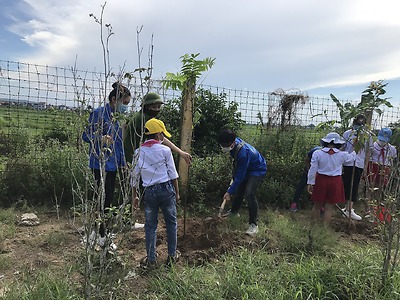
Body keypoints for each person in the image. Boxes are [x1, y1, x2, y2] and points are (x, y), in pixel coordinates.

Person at [82, 82, 131, 248]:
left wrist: (123, 163)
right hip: (99, 163)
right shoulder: (99, 114)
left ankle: (99, 232)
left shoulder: (117, 119)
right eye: (124, 104)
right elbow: (86, 135)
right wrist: (100, 138)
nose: (125, 108)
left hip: (113, 165)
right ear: (113, 99)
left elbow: (118, 144)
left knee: (109, 199)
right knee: (102, 199)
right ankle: (102, 235)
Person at [131, 118, 180, 268]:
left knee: (150, 225)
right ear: (158, 134)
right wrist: (177, 193)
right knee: (171, 223)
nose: (163, 138)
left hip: (149, 191)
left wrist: (135, 196)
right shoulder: (165, 150)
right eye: (162, 135)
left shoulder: (138, 152)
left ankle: (151, 259)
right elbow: (173, 174)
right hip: (166, 189)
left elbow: (134, 177)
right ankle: (172, 255)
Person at [218, 129, 267, 236]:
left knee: (249, 193)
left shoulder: (243, 154)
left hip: (257, 169)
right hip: (247, 167)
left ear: (232, 143)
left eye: (225, 145)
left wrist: (229, 192)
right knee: (239, 189)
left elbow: (240, 176)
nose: (223, 147)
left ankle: (254, 225)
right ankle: (234, 213)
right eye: (222, 145)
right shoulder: (234, 144)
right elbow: (238, 170)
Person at [124, 92, 192, 165]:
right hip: (131, 155)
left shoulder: (140, 115)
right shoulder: (144, 119)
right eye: (153, 107)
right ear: (146, 107)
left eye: (159, 107)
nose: (156, 110)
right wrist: (180, 152)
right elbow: (161, 138)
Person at [307, 132, 356, 226]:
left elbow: (313, 169)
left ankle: (313, 227)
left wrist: (310, 182)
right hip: (335, 182)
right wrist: (355, 148)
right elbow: (352, 158)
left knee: (317, 205)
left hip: (321, 180)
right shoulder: (342, 155)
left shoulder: (318, 153)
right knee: (329, 207)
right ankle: (325, 228)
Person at [341, 114, 372, 221]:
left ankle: (349, 209)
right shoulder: (347, 133)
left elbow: (368, 151)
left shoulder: (367, 135)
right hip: (348, 162)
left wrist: (365, 166)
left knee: (354, 186)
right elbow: (342, 147)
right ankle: (347, 209)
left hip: (358, 164)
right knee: (347, 185)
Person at [365, 127, 397, 216]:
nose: (382, 142)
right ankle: (368, 208)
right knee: (371, 186)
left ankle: (377, 208)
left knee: (380, 187)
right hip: (373, 166)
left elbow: (392, 160)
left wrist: (389, 170)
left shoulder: (392, 149)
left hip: (385, 167)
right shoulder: (373, 147)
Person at [289, 146, 322, 212]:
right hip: (309, 168)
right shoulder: (314, 151)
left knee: (320, 187)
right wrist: (309, 170)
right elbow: (307, 160)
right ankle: (294, 203)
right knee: (302, 184)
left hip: (321, 171)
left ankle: (320, 205)